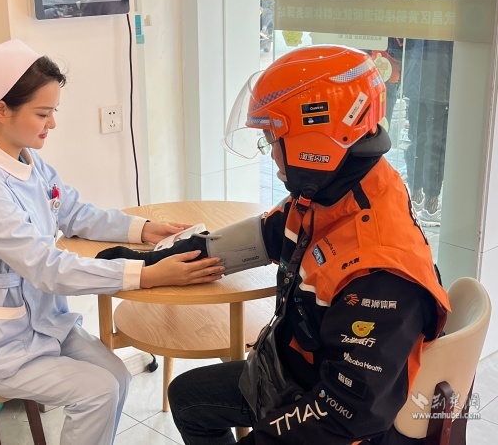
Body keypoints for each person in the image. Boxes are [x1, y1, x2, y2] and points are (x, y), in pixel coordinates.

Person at [99, 45, 451, 444]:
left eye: (272, 139)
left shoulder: (380, 275)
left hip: (343, 417)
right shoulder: (339, 189)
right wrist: (146, 263)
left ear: (314, 141)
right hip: (296, 371)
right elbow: (258, 237)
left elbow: (347, 415)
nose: (270, 156)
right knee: (187, 397)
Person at [0, 39, 225, 445]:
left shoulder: (26, 159)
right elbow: (46, 268)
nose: (52, 123)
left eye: (53, 111)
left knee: (117, 375)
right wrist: (147, 275)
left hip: (41, 323)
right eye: (43, 113)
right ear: (2, 110)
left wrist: (142, 229)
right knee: (98, 391)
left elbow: (72, 211)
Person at [402, 35, 452, 227]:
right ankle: (431, 207)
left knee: (417, 139)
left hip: (416, 76)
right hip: (440, 80)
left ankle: (415, 198)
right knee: (435, 144)